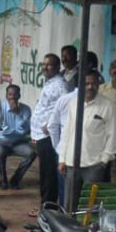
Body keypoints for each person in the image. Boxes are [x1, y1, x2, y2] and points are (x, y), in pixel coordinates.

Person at [59, 70, 116, 207]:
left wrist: (104, 160)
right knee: (70, 204)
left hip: (93, 165)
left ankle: (86, 229)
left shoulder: (107, 105)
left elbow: (113, 135)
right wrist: (62, 159)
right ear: (80, 85)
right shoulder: (74, 103)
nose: (90, 87)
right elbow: (67, 132)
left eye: (94, 83)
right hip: (71, 164)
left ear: (99, 84)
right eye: (86, 83)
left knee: (89, 206)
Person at [30, 54, 68, 203]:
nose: (45, 67)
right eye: (43, 64)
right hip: (41, 135)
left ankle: (48, 206)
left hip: (49, 136)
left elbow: (64, 107)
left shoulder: (60, 85)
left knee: (49, 174)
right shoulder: (49, 83)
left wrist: (51, 123)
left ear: (57, 67)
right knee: (45, 172)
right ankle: (45, 204)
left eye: (49, 65)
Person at [0, 85, 33, 190]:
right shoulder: (0, 109)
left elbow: (25, 131)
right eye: (10, 94)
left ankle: (15, 179)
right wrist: (17, 131)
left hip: (18, 142)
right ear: (6, 95)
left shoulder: (26, 109)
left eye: (15, 94)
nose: (12, 97)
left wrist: (17, 114)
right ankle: (3, 179)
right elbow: (2, 130)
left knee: (31, 153)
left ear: (19, 95)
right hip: (2, 141)